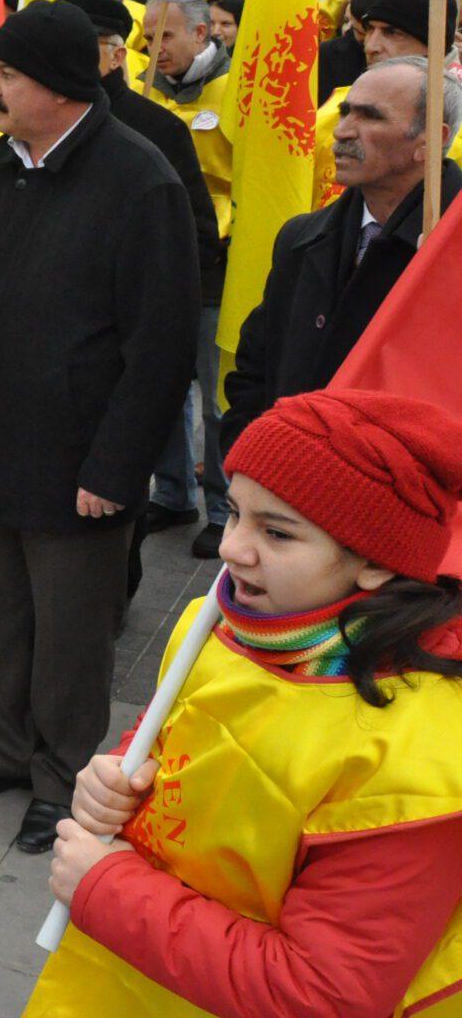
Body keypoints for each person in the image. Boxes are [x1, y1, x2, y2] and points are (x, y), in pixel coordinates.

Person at [28, 389, 462, 1018]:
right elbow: (181, 748)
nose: (232, 548)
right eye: (235, 513)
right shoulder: (227, 627)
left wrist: (107, 888)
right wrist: (117, 776)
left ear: (373, 561)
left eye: (276, 532)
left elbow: (322, 995)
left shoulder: (420, 760)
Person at [0, 0, 199, 852]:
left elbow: (161, 346)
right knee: (1, 618)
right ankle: (9, 751)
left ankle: (64, 775)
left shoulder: (138, 179)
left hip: (81, 459)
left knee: (71, 636)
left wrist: (118, 468)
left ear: (56, 86)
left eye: (5, 74)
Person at [222, 59, 462, 458]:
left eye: (371, 117)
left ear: (431, 141)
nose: (343, 130)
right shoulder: (301, 238)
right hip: (294, 484)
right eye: (347, 110)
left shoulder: (449, 248)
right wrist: (250, 454)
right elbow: (256, 368)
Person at [61, 0, 226, 559]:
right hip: (92, 327)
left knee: (206, 400)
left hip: (189, 291)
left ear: (110, 57)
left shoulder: (155, 128)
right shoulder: (40, 127)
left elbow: (198, 231)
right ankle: (174, 494)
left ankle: (221, 508)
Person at [312, 0, 458, 202]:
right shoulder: (336, 103)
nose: (371, 46)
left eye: (392, 32)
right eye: (370, 30)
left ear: (434, 42)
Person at [139, 0, 234, 240]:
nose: (155, 48)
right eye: (149, 39)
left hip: (217, 235)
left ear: (200, 33)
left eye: (166, 36)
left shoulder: (239, 88)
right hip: (150, 227)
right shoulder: (139, 88)